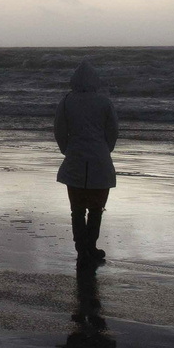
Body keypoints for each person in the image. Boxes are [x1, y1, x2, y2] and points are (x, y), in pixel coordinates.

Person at [52, 61, 118, 266]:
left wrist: (67, 150)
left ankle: (82, 248)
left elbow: (59, 131)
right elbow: (113, 132)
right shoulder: (104, 102)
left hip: (76, 158)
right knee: (97, 208)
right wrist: (104, 150)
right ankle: (91, 246)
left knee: (77, 209)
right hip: (100, 159)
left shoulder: (66, 102)